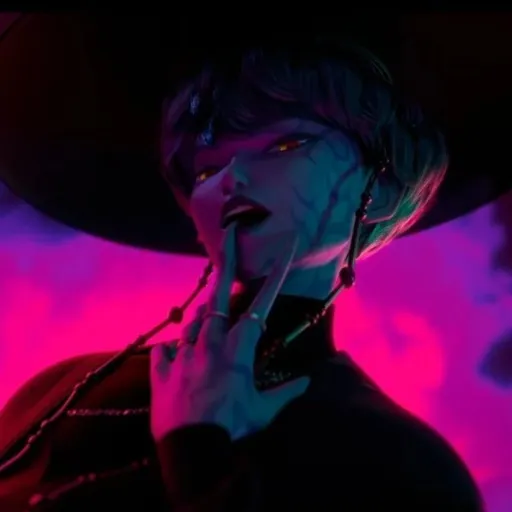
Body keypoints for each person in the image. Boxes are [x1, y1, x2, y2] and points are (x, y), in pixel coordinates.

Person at [0, 38, 485, 511]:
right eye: (205, 172)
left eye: (285, 145)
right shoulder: (58, 390)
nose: (230, 179)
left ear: (379, 189)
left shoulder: (407, 467)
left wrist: (198, 453)